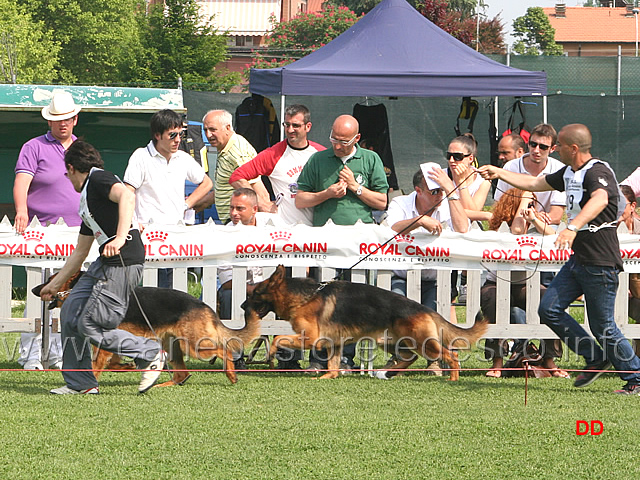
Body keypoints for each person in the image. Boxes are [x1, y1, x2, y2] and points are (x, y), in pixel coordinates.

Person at [479, 123, 640, 395]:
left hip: (600, 262)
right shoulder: (568, 172)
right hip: (579, 261)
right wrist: (498, 173)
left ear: (573, 148)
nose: (553, 150)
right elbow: (532, 183)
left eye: (559, 146)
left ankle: (635, 375)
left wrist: (572, 225)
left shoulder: (597, 171)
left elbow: (600, 199)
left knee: (603, 325)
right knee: (549, 308)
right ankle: (595, 357)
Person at [39, 141, 166, 395]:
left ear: (72, 168)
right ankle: (81, 384)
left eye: (66, 174)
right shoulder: (88, 199)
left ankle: (150, 352)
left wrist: (119, 238)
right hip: (103, 262)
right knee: (71, 312)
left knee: (89, 323)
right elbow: (80, 252)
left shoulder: (99, 180)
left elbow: (127, 196)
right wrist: (53, 285)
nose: (68, 179)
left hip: (124, 261)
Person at [296, 114, 389, 371]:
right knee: (318, 302)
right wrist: (326, 194)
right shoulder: (318, 159)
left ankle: (346, 357)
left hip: (357, 243)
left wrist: (355, 188)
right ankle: (318, 357)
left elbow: (382, 202)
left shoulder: (371, 159)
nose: (338, 146)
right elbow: (300, 199)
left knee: (351, 304)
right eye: (334, 140)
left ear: (357, 139)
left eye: (344, 142)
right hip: (323, 243)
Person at [13, 90, 83, 371]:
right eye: (57, 119)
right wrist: (21, 210)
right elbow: (22, 181)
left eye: (66, 119)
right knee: (38, 293)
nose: (62, 124)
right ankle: (30, 355)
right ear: (49, 121)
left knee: (66, 295)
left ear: (75, 119)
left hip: (76, 233)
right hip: (40, 231)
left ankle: (58, 353)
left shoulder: (81, 149)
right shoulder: (33, 147)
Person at [377, 166, 469, 379]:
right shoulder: (401, 202)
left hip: (436, 279)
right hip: (402, 276)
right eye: (433, 191)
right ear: (418, 191)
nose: (439, 195)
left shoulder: (447, 203)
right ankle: (401, 356)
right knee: (390, 314)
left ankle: (433, 360)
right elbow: (390, 228)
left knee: (432, 318)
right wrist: (418, 221)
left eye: (441, 191)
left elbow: (463, 228)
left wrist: (450, 190)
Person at [480, 188, 566, 378]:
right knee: (494, 302)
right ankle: (497, 361)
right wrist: (525, 198)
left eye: (532, 203)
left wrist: (534, 219)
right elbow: (516, 231)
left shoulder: (534, 225)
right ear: (515, 205)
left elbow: (553, 237)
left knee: (549, 301)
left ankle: (550, 358)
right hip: (496, 283)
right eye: (527, 203)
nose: (530, 207)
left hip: (524, 285)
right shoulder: (499, 226)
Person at [124, 109, 212, 289]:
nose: (178, 140)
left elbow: (207, 183)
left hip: (175, 237)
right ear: (157, 135)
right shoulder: (141, 156)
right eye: (172, 135)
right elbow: (127, 192)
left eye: (181, 134)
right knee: (150, 293)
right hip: (148, 237)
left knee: (172, 295)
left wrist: (186, 204)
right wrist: (133, 222)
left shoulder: (182, 158)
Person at [217, 189, 299, 369]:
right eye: (231, 208)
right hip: (244, 290)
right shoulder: (223, 234)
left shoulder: (274, 225)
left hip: (271, 289)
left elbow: (293, 250)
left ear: (254, 209)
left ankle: (288, 358)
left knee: (289, 297)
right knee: (229, 296)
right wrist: (256, 291)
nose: (233, 213)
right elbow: (226, 281)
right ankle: (235, 357)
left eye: (240, 208)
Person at [229, 104, 325, 225]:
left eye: (295, 125)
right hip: (284, 230)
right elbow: (236, 177)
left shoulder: (320, 153)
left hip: (316, 230)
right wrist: (262, 203)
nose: (290, 130)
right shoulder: (273, 154)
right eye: (287, 125)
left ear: (308, 126)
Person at [495, 124, 566, 226]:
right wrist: (532, 216)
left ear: (553, 148)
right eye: (533, 144)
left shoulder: (559, 170)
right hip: (513, 225)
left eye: (543, 147)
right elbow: (499, 209)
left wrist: (533, 218)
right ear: (528, 143)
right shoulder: (510, 167)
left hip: (544, 227)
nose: (536, 150)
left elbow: (555, 217)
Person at [202, 109, 266, 224]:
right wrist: (197, 204)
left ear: (227, 128)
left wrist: (264, 215)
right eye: (205, 130)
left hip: (239, 223)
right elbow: (223, 189)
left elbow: (254, 188)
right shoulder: (226, 149)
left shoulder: (237, 152)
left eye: (212, 129)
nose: (208, 135)